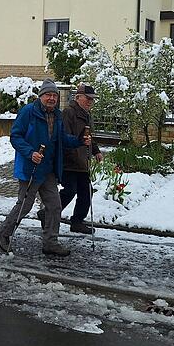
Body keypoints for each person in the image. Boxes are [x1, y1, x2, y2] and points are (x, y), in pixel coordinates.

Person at [0, 79, 89, 257]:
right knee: (25, 205)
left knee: (54, 206)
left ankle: (50, 243)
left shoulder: (57, 115)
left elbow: (61, 139)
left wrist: (78, 141)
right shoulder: (29, 112)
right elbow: (15, 136)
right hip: (31, 168)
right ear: (41, 96)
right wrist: (30, 153)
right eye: (48, 95)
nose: (52, 98)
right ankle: (3, 232)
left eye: (54, 95)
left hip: (49, 169)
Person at [59, 83, 103, 234]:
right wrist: (71, 155)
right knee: (70, 190)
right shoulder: (68, 113)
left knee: (86, 192)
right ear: (78, 97)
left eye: (92, 99)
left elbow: (88, 136)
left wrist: (95, 150)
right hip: (70, 161)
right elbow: (64, 137)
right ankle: (49, 212)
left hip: (82, 161)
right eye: (88, 98)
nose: (90, 101)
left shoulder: (86, 115)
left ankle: (77, 222)